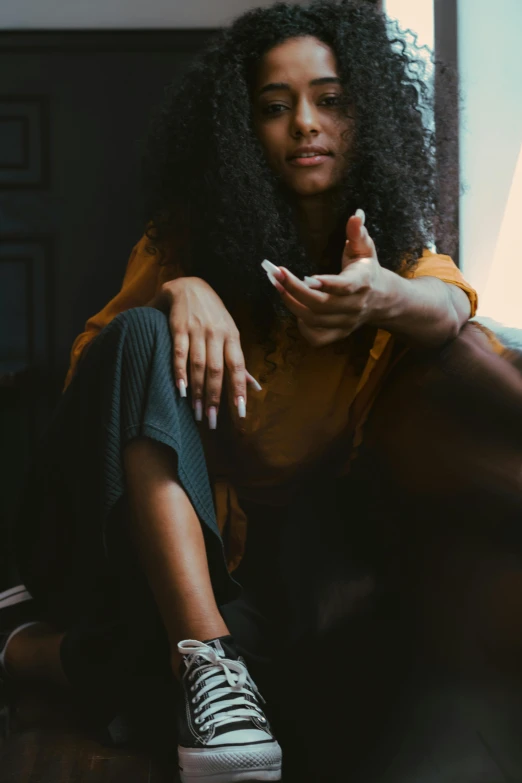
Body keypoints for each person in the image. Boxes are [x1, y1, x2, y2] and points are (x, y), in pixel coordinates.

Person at [2, 1, 521, 781]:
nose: (305, 123)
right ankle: (206, 660)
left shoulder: (393, 261)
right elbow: (94, 382)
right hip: (117, 529)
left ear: (366, 112)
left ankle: (23, 647)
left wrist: (379, 295)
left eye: (330, 99)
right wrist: (181, 289)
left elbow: (449, 305)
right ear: (247, 130)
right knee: (141, 333)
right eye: (277, 107)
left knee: (187, 680)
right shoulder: (186, 236)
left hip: (257, 562)